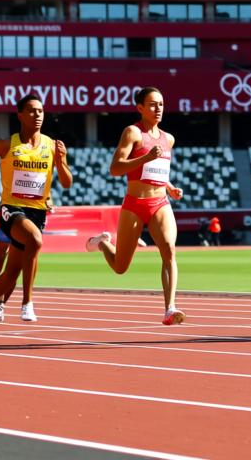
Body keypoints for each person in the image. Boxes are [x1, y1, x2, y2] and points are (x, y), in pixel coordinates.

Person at [0, 94, 71, 330]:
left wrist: (62, 161)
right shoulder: (7, 144)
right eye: (32, 110)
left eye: (41, 111)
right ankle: (27, 303)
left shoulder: (51, 146)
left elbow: (66, 182)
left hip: (37, 212)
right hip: (11, 209)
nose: (37, 115)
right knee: (35, 240)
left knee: (11, 273)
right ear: (20, 115)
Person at [85, 87, 186, 326]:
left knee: (169, 249)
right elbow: (115, 168)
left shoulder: (168, 138)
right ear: (140, 108)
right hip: (134, 204)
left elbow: (158, 171)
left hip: (160, 202)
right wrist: (144, 158)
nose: (158, 108)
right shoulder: (132, 133)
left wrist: (170, 187)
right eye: (152, 104)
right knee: (121, 267)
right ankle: (101, 243)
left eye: (161, 104)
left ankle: (169, 308)